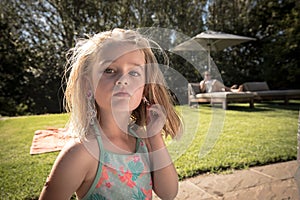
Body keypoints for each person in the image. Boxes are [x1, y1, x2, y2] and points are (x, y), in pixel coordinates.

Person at [39, 28, 183, 200]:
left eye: (134, 72)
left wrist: (155, 137)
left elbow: (169, 193)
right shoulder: (81, 153)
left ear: (145, 88)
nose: (123, 79)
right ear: (88, 84)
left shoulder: (144, 141)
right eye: (109, 70)